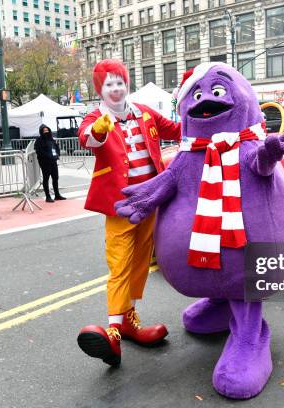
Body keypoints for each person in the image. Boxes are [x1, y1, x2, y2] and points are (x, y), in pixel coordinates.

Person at [75, 59, 181, 367]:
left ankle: (129, 320)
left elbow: (175, 129)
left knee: (140, 263)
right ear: (100, 89)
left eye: (119, 82)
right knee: (120, 264)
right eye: (109, 84)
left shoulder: (144, 113)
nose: (116, 88)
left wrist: (208, 117)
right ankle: (113, 332)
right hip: (120, 205)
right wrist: (98, 130)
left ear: (127, 85)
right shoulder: (97, 117)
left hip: (149, 199)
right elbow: (87, 138)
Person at [34, 124, 66, 202]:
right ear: (41, 132)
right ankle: (48, 196)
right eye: (44, 131)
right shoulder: (39, 140)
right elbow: (39, 151)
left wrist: (57, 155)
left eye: (47, 130)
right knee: (46, 178)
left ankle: (57, 194)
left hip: (53, 161)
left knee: (55, 177)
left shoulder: (51, 139)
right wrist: (48, 156)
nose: (46, 132)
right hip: (45, 162)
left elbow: (56, 148)